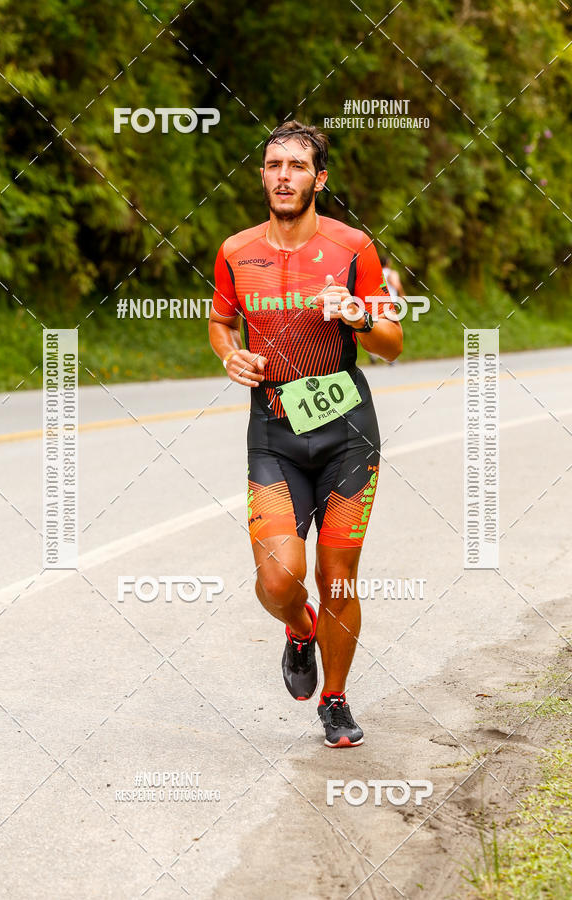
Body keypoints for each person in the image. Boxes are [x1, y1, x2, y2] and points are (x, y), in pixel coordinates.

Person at [208, 121, 403, 748]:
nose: (283, 176)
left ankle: (337, 700)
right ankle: (299, 631)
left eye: (296, 166)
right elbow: (220, 321)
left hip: (347, 430)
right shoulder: (236, 252)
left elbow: (393, 344)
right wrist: (230, 355)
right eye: (273, 165)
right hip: (273, 429)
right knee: (278, 579)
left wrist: (360, 315)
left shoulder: (354, 248)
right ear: (262, 175)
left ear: (319, 179)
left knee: (338, 575)